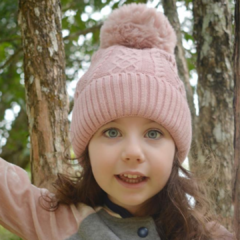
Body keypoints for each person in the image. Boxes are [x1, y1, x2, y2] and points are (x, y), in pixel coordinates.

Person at [0, 3, 235, 240]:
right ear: (86, 148)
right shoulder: (56, 219)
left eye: (153, 133)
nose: (132, 153)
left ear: (175, 150)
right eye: (112, 132)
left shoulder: (206, 235)